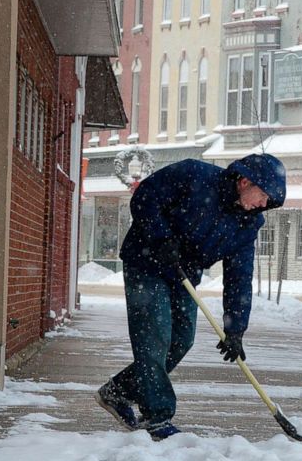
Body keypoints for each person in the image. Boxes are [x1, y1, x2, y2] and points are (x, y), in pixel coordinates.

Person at [94, 153, 286, 440]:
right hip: (146, 262)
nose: (263, 205)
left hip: (183, 273)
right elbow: (145, 197)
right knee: (153, 337)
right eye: (263, 196)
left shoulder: (248, 224)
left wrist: (235, 329)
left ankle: (118, 391)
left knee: (182, 339)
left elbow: (239, 278)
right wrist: (161, 238)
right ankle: (156, 416)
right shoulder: (194, 175)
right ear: (245, 181)